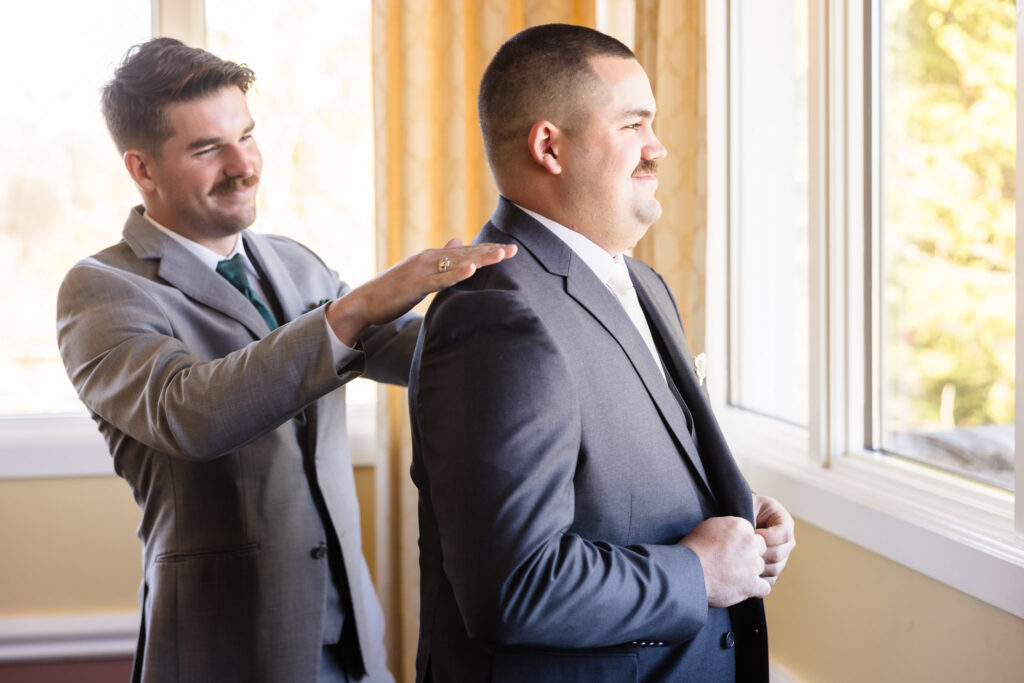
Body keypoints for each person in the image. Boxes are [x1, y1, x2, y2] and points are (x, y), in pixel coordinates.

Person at [56, 37, 515, 683]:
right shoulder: (102, 288)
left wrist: (521, 322)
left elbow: (415, 352)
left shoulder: (295, 262)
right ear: (142, 168)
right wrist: (354, 309)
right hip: (226, 653)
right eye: (208, 148)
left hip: (354, 647)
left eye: (247, 135)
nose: (244, 165)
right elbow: (189, 411)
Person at [409, 23, 795, 682]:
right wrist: (698, 571)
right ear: (549, 146)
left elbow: (611, 474)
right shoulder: (494, 315)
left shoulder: (642, 283)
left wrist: (731, 512)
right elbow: (516, 585)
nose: (658, 147)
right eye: (633, 126)